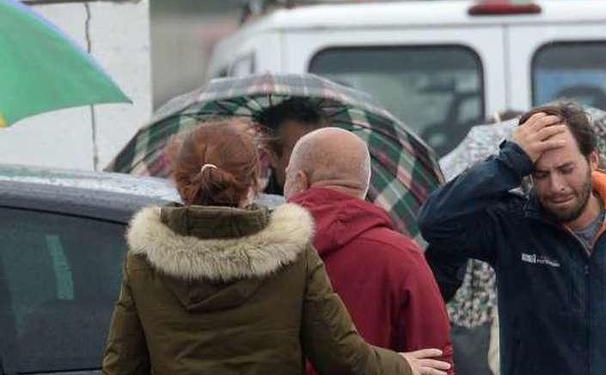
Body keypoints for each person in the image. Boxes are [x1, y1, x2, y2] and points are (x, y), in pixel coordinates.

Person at [102, 121, 450, 375]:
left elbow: (122, 364)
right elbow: (342, 357)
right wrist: (403, 365)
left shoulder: (145, 259)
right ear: (253, 183)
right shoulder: (291, 254)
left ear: (179, 181)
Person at [419, 101, 606, 375]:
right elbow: (435, 222)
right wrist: (509, 160)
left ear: (593, 160)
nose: (556, 186)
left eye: (566, 169)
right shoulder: (512, 224)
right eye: (541, 174)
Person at [284, 127, 455, 375]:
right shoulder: (400, 256)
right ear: (364, 185)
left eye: (287, 176)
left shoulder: (265, 250)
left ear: (301, 180)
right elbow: (436, 361)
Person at [254, 97, 327, 195]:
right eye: (304, 154)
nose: (316, 165)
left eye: (323, 152)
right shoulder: (253, 206)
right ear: (272, 155)